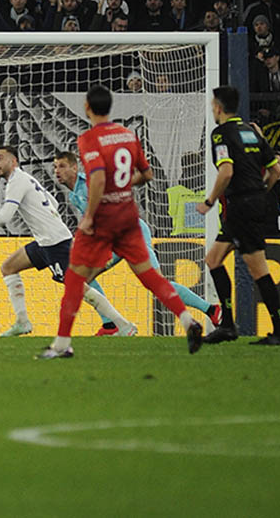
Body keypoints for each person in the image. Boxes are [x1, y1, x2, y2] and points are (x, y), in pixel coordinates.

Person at [38, 86, 203, 359]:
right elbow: (147, 175)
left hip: (105, 225)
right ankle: (187, 321)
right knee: (150, 277)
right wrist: (122, 185)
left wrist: (89, 217)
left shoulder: (89, 139)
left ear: (88, 108)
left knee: (75, 278)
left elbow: (99, 180)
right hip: (129, 219)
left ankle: (62, 344)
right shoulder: (128, 136)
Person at [52, 150, 219, 333]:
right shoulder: (74, 195)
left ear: (74, 167)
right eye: (54, 167)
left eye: (62, 166)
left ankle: (211, 309)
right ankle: (110, 324)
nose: (57, 171)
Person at [0, 146, 135, 337]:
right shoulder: (25, 178)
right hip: (45, 241)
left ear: (13, 161)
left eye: (0, 158)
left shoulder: (17, 181)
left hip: (56, 243)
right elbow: (53, 203)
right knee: (8, 267)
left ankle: (124, 325)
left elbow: (6, 216)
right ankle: (22, 322)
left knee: (79, 288)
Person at [196, 86, 280, 345]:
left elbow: (226, 171)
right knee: (213, 259)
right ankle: (227, 324)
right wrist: (260, 190)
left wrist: (209, 201)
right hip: (249, 204)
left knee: (258, 269)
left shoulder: (221, 134)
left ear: (218, 107)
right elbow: (277, 171)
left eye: (213, 105)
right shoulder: (252, 132)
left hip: (241, 207)